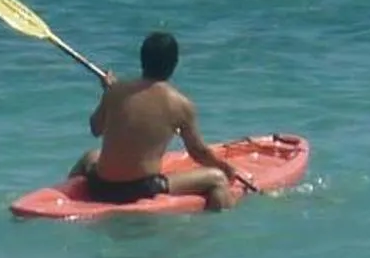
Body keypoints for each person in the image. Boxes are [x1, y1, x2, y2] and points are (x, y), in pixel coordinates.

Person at [69, 31, 253, 209]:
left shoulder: (115, 91)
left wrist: (109, 95)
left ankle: (65, 197)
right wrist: (226, 168)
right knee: (217, 178)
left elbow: (96, 128)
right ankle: (220, 220)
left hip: (100, 186)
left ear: (142, 60)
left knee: (90, 157)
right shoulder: (180, 104)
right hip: (140, 190)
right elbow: (198, 152)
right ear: (174, 63)